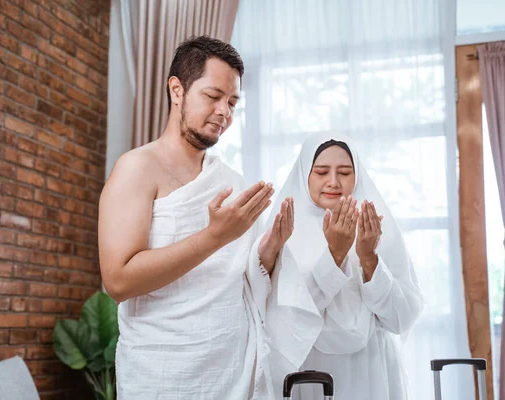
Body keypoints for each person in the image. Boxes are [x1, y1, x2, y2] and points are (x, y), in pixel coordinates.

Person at [98, 35, 294, 399]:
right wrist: (214, 237)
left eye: (233, 102)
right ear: (177, 90)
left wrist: (270, 248)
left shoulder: (231, 182)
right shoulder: (136, 169)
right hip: (162, 374)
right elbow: (118, 281)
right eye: (213, 96)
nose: (225, 112)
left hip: (230, 372)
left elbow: (239, 279)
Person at [265, 132, 424, 399]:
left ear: (357, 175)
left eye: (345, 172)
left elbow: (400, 319)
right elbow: (285, 320)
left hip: (372, 368)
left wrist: (368, 257)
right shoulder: (282, 231)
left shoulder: (376, 228)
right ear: (305, 173)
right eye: (322, 171)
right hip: (308, 371)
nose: (333, 182)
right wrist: (335, 255)